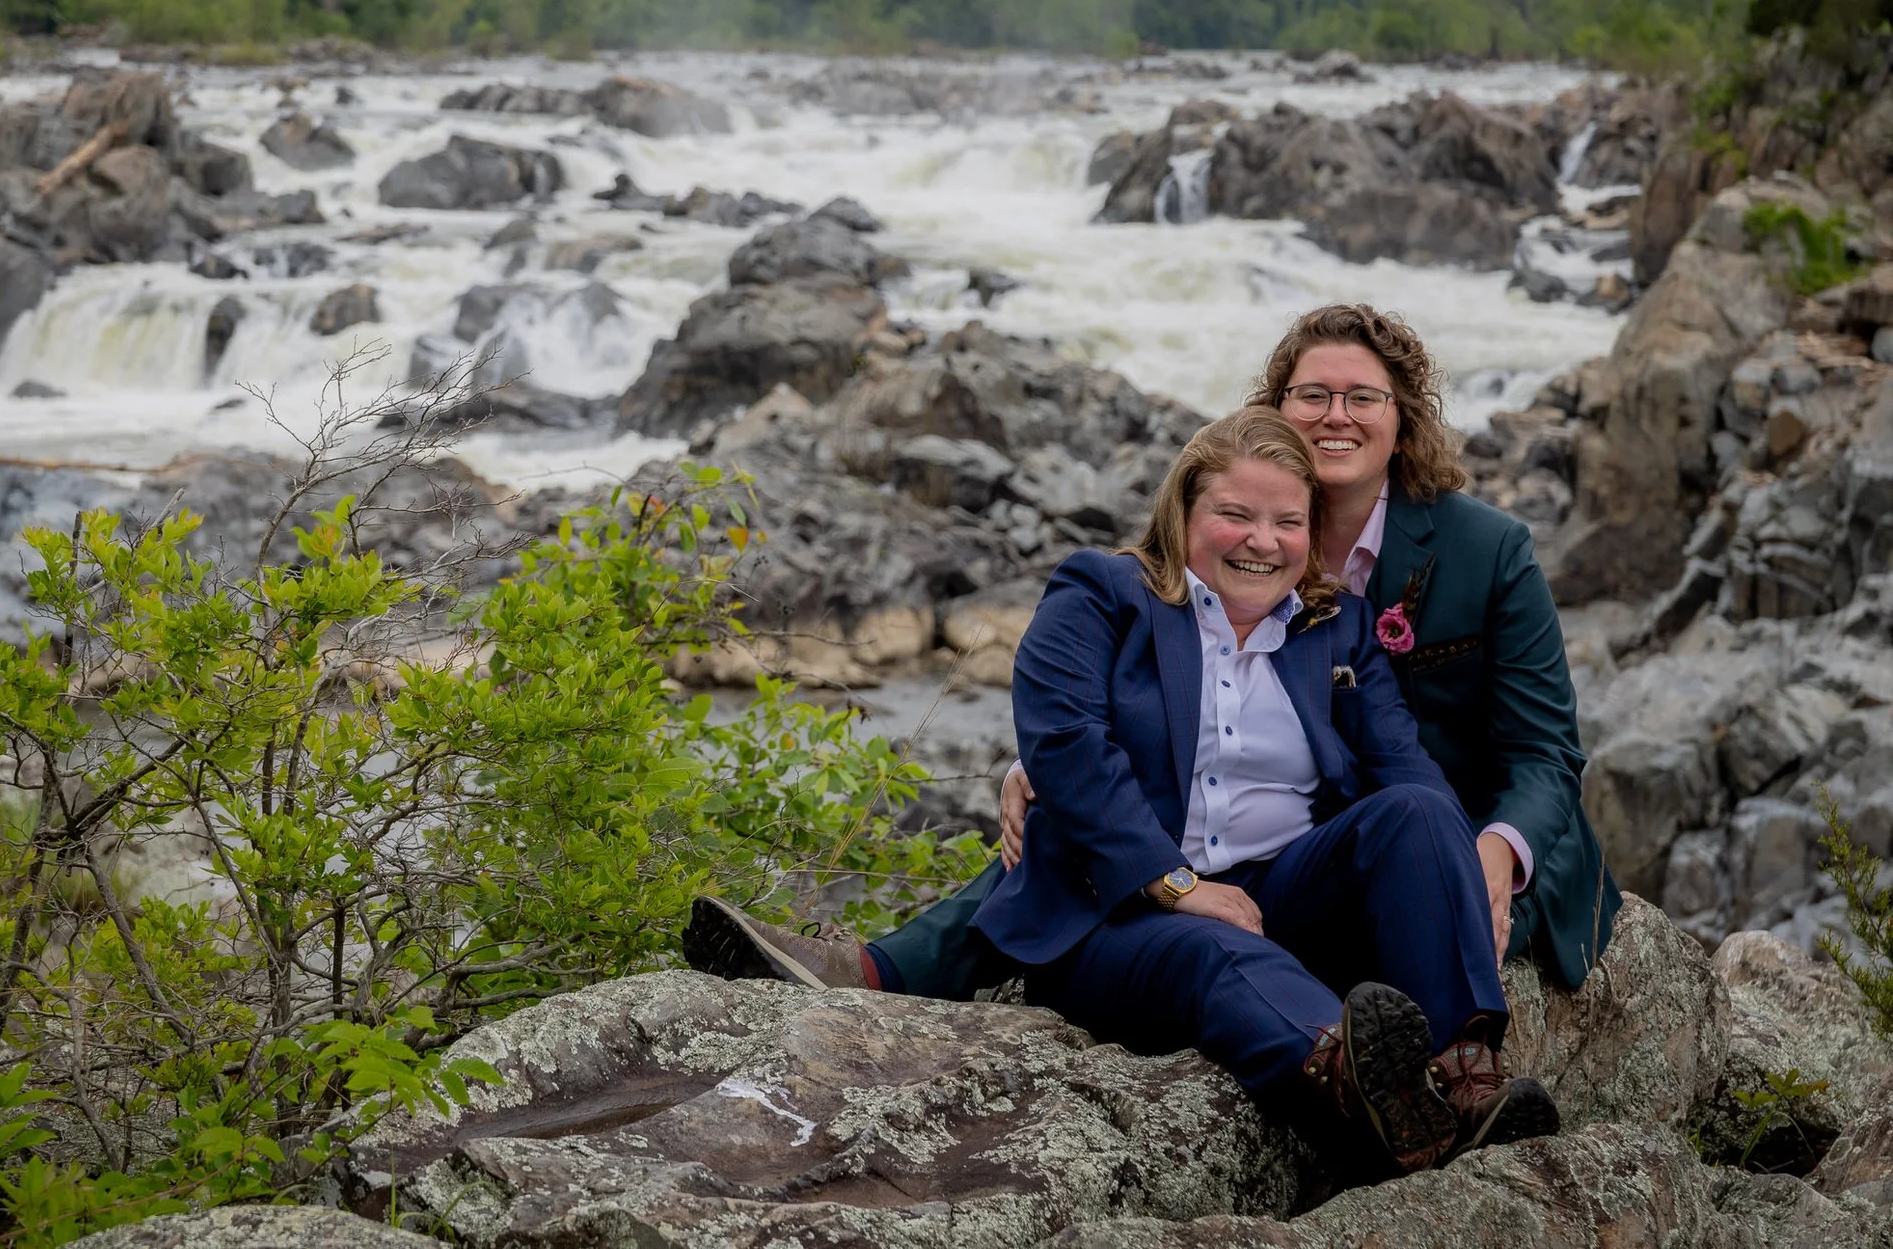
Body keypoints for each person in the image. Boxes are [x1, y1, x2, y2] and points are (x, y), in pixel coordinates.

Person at [686, 310, 1617, 1122]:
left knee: (1413, 815)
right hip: (1156, 902)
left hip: (1337, 863)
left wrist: (1476, 854)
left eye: (1285, 524)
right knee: (1201, 939)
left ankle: (1464, 1078)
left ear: (1403, 420)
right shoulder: (1108, 590)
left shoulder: (1381, 602)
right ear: (1191, 503)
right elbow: (1074, 735)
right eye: (1312, 395)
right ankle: (1360, 1085)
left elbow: (1476, 757)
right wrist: (1129, 842)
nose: (1264, 540)